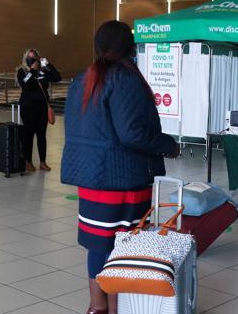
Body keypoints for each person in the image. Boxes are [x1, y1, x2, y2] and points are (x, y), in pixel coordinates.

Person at [61, 20, 179, 314]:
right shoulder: (125, 79)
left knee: (98, 244)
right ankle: (117, 308)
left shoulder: (83, 79)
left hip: (89, 177)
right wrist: (168, 144)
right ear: (130, 47)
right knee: (124, 245)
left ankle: (96, 306)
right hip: (121, 177)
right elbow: (132, 134)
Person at [17, 49, 62, 172]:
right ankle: (28, 162)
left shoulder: (43, 70)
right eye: (30, 58)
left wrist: (48, 65)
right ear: (26, 59)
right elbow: (24, 85)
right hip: (28, 107)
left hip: (42, 107)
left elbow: (57, 77)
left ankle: (43, 162)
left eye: (34, 58)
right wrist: (32, 70)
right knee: (29, 134)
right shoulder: (22, 71)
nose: (33, 60)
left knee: (42, 135)